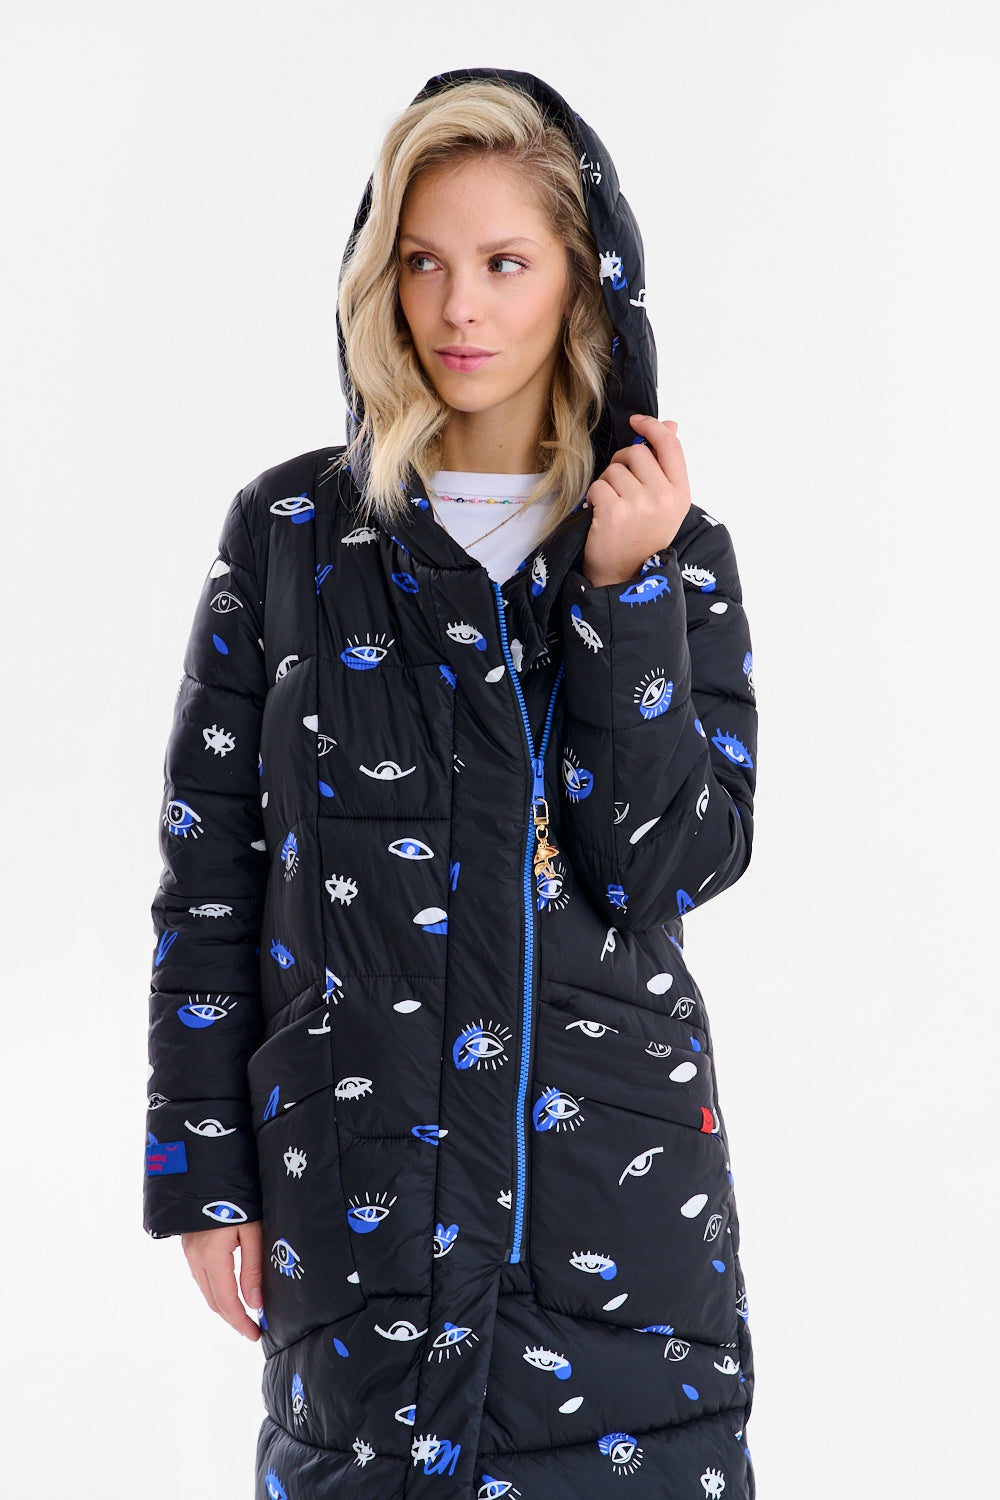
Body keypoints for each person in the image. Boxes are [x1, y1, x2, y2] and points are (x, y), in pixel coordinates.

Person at [143, 66, 759, 1500]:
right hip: (358, 1182)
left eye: (503, 264)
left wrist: (624, 596)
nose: (458, 308)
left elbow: (668, 864)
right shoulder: (293, 534)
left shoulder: (674, 547)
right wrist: (205, 1173)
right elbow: (211, 877)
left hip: (607, 1203)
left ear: (583, 284)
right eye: (422, 263)